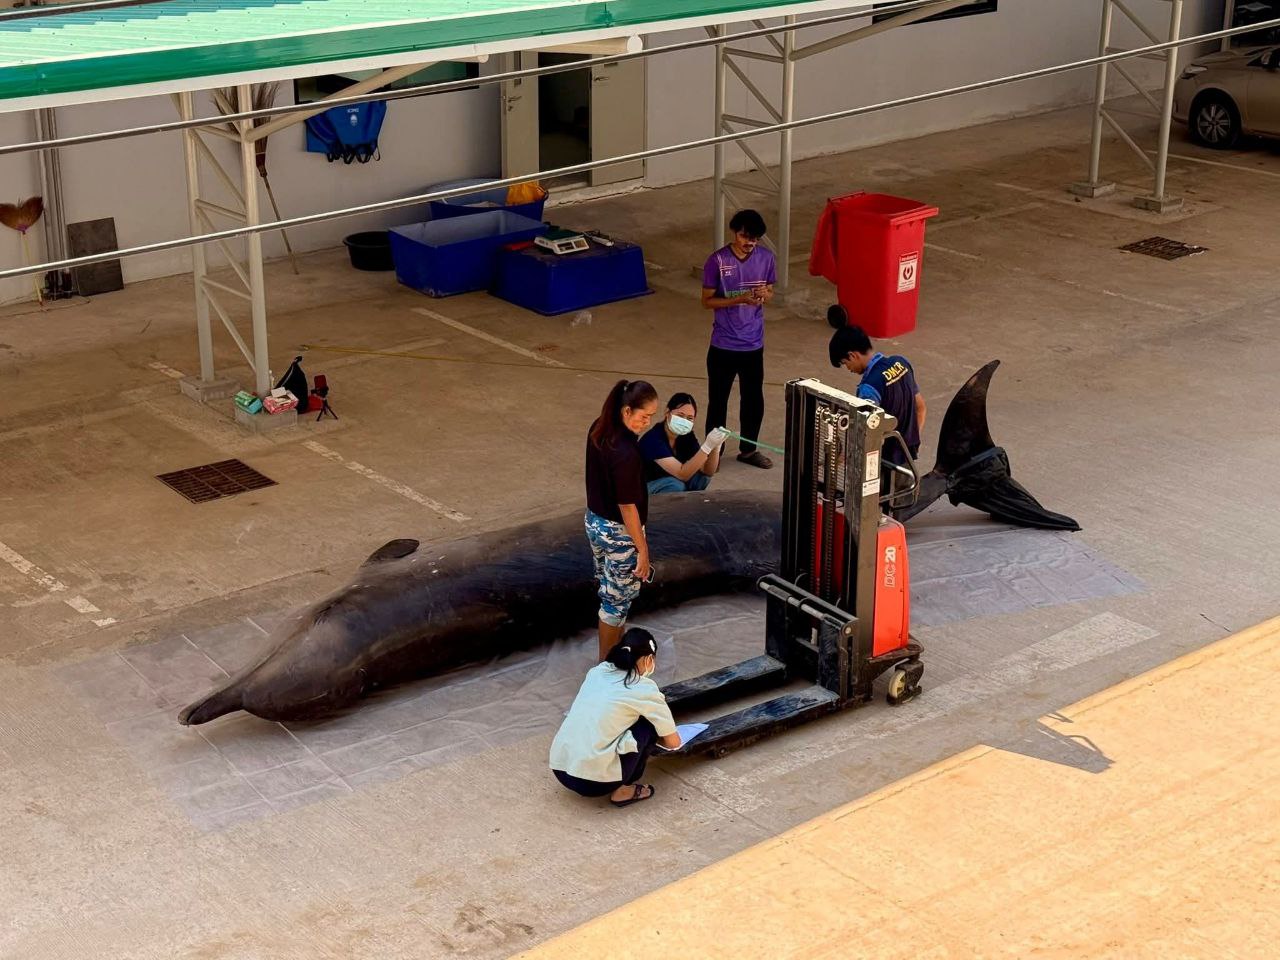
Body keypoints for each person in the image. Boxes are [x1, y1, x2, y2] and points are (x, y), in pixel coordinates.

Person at [550, 628, 682, 807]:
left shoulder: (597, 672)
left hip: (560, 768)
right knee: (647, 725)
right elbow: (673, 743)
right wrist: (658, 740)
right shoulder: (644, 689)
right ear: (649, 659)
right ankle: (623, 790)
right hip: (593, 784)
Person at [585, 379, 659, 660]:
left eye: (651, 417)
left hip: (595, 522)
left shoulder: (599, 427)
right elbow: (628, 507)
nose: (646, 423)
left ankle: (614, 655)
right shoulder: (626, 453)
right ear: (627, 411)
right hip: (618, 532)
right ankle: (605, 667)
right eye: (643, 416)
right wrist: (642, 550)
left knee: (612, 593)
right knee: (615, 605)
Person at [701, 208, 777, 470]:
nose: (749, 243)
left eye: (754, 239)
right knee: (718, 401)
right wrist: (739, 299)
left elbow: (770, 292)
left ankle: (748, 449)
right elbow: (707, 301)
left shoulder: (766, 259)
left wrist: (763, 295)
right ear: (735, 233)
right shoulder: (717, 261)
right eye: (745, 237)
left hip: (753, 345)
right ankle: (712, 454)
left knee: (753, 400)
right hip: (723, 344)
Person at [827, 307, 926, 470]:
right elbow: (921, 408)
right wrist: (909, 444)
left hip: (884, 465)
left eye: (845, 363)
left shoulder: (869, 388)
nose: (849, 369)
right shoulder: (901, 363)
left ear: (853, 355)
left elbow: (869, 436)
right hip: (908, 463)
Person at [639, 393, 730, 495]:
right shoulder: (653, 439)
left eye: (690, 418)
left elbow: (707, 471)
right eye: (680, 415)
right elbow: (682, 474)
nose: (684, 421)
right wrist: (707, 446)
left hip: (670, 480)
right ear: (667, 412)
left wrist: (715, 447)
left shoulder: (686, 435)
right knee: (675, 485)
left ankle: (684, 504)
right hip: (643, 488)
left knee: (702, 478)